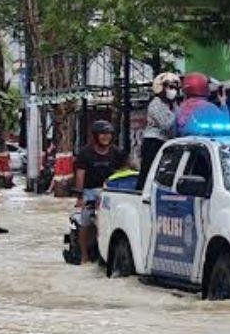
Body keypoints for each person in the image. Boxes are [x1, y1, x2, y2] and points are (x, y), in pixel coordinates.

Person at [73, 120, 127, 263]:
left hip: (110, 191)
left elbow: (124, 171)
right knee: (85, 221)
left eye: (108, 134)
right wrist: (80, 196)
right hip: (90, 191)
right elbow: (80, 175)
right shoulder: (85, 153)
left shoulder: (116, 152)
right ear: (96, 136)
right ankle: (84, 255)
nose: (106, 137)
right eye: (102, 134)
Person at [137, 72, 181, 190]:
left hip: (166, 141)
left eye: (175, 88)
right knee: (148, 171)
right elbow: (166, 124)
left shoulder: (172, 105)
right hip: (153, 142)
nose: (173, 91)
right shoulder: (156, 103)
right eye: (170, 87)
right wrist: (176, 112)